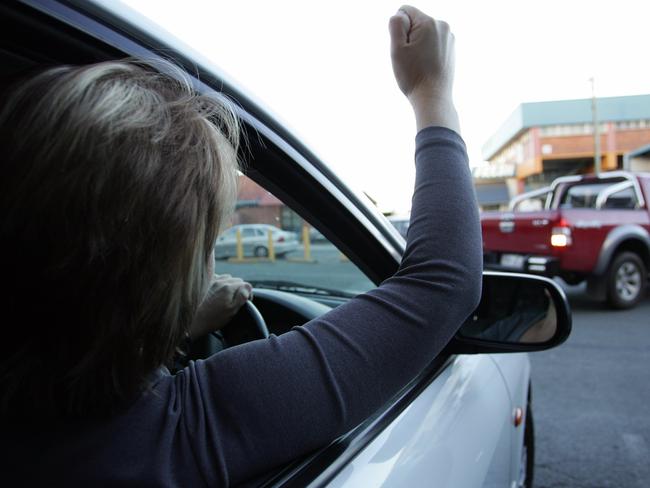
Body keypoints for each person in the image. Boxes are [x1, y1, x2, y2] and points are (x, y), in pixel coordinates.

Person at [0, 6, 482, 486]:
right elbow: (442, 284)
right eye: (209, 242)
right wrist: (431, 92)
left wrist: (180, 327)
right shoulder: (178, 433)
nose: (211, 261)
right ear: (163, 284)